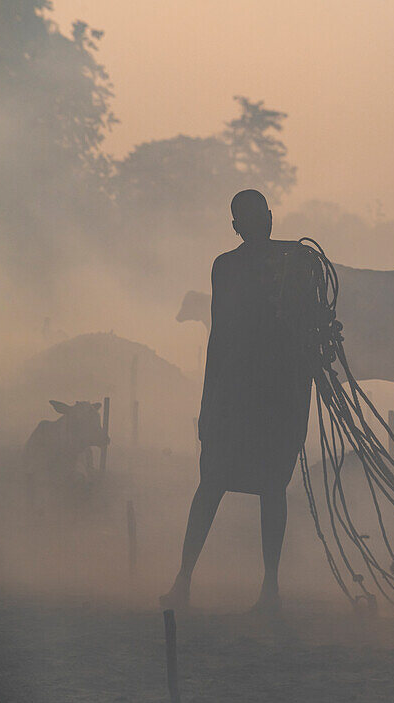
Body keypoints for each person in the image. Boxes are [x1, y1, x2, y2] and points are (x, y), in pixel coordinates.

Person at [161, 190, 316, 614]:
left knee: (215, 486)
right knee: (263, 489)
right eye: (255, 217)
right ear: (265, 219)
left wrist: (209, 403)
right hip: (269, 398)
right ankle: (266, 588)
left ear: (240, 225)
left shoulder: (235, 266)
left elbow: (221, 339)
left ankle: (189, 581)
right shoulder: (295, 263)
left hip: (242, 397)